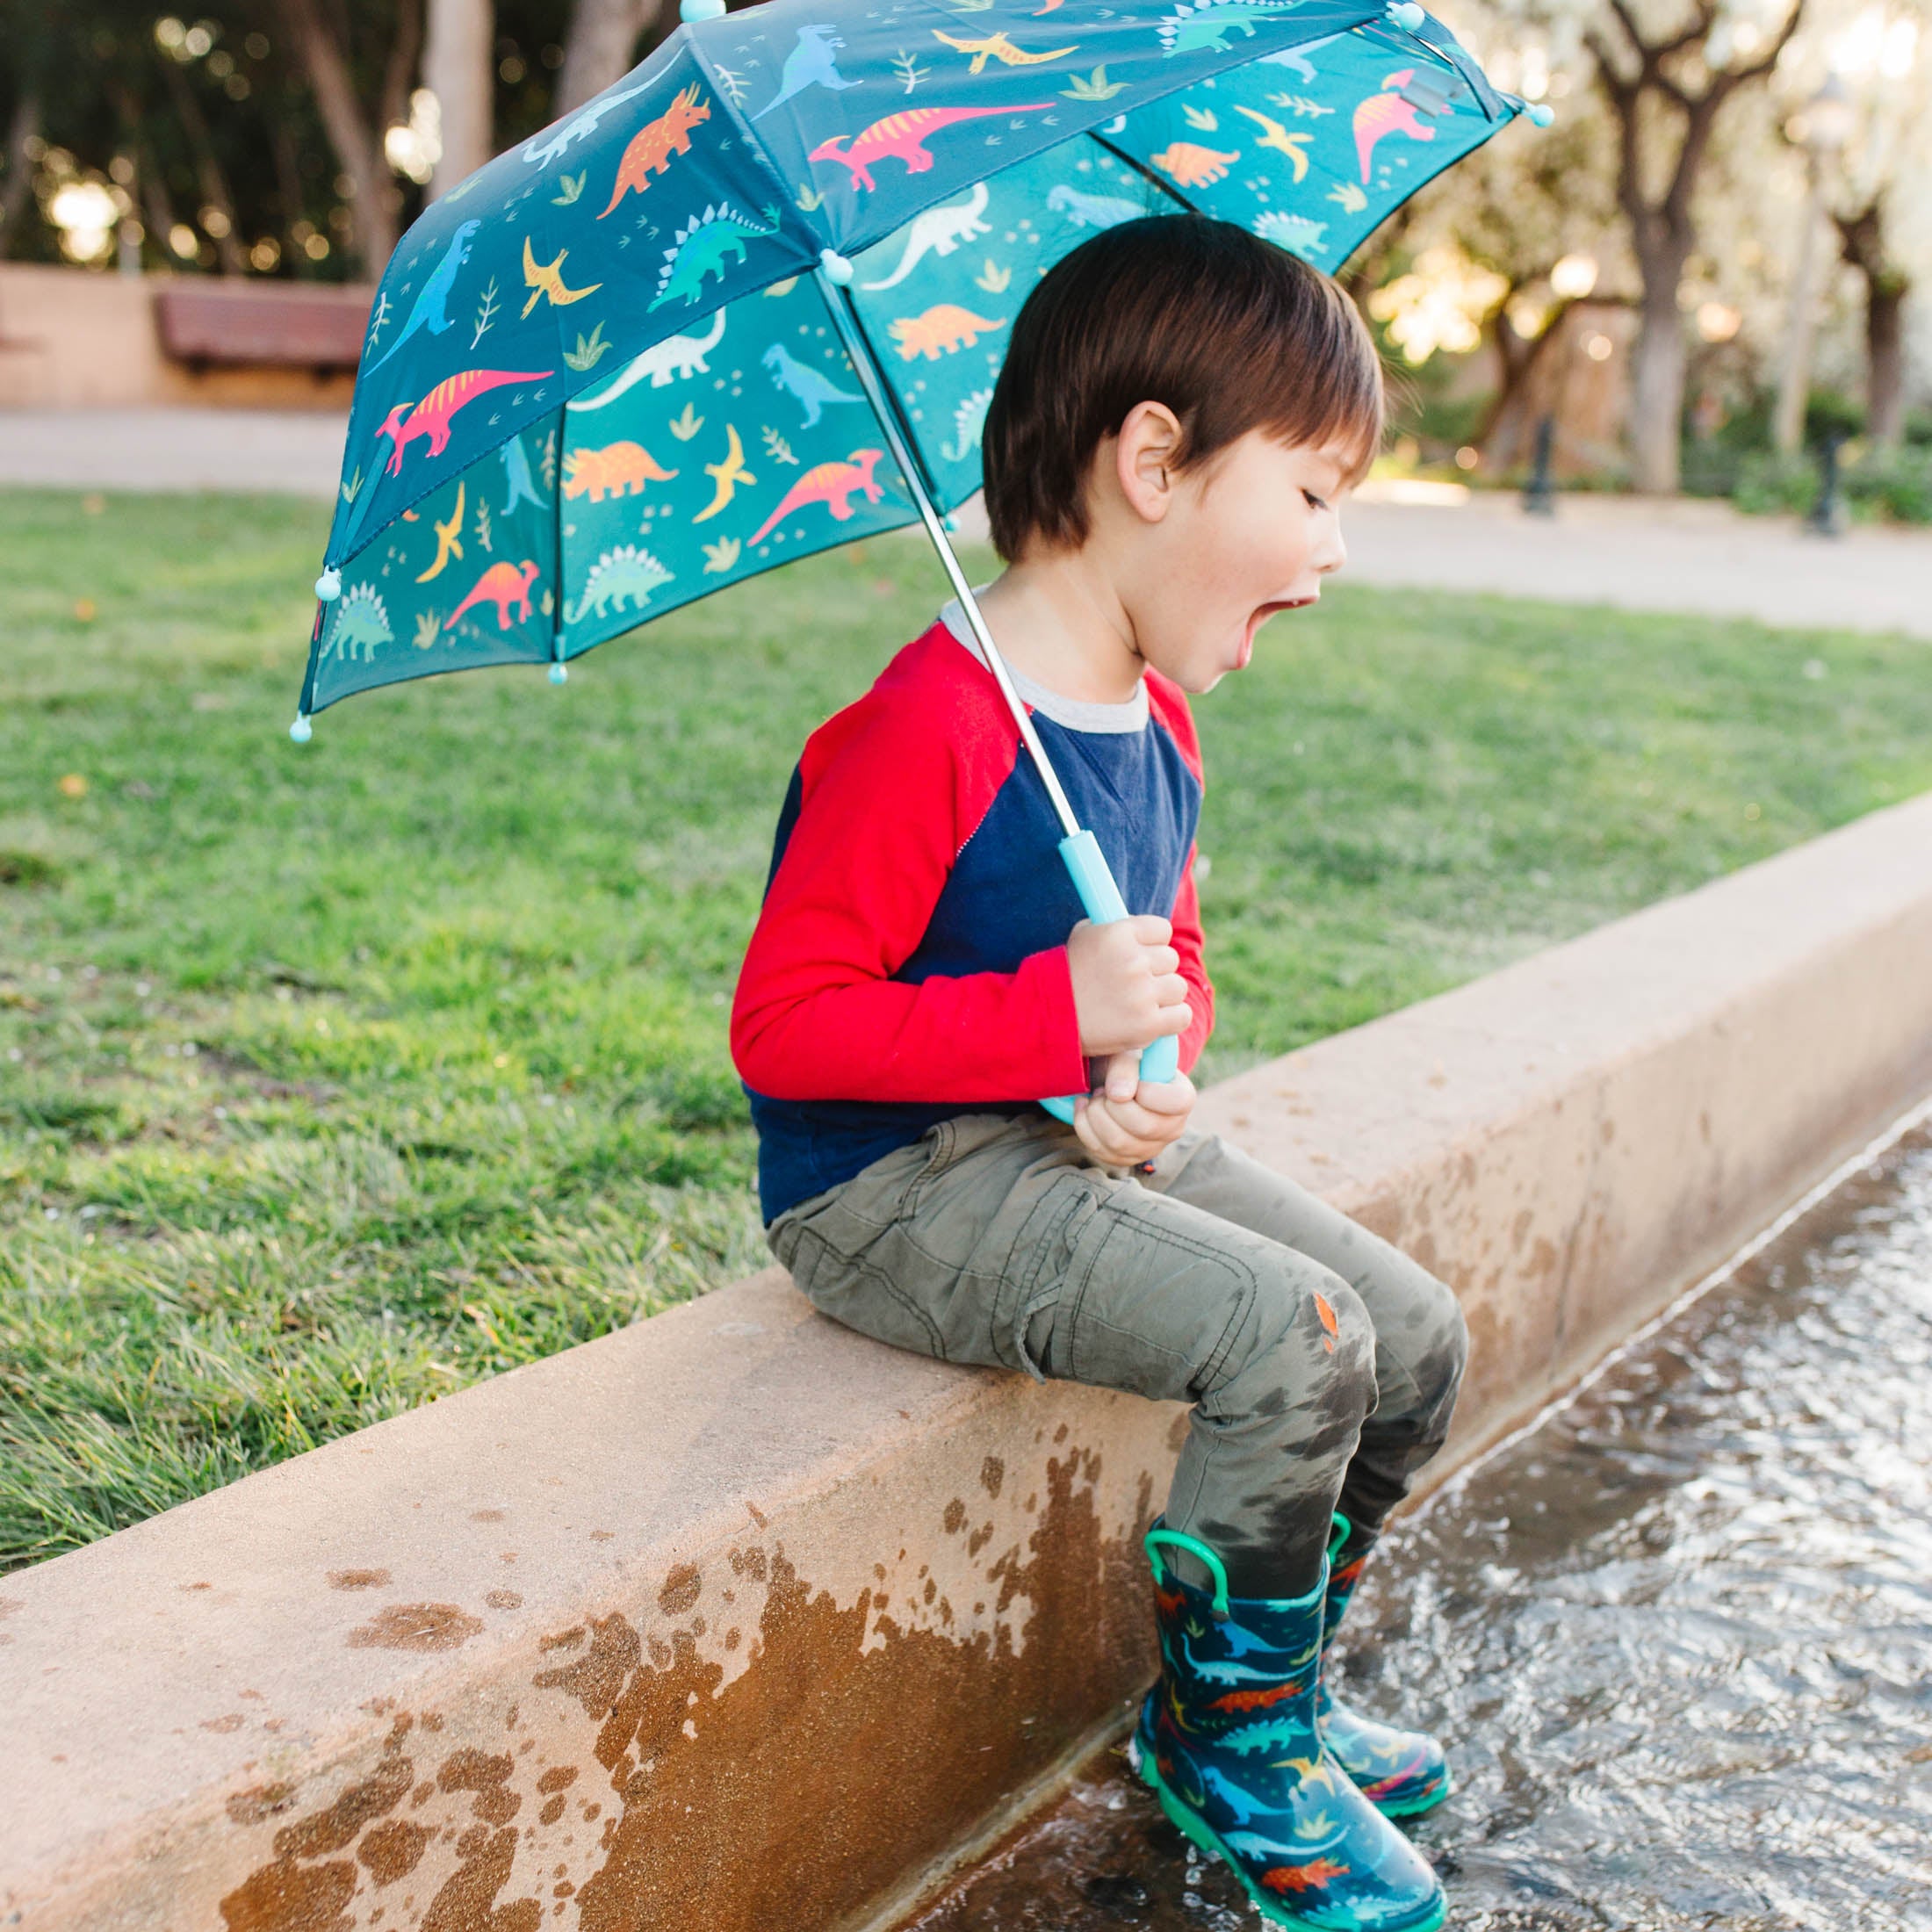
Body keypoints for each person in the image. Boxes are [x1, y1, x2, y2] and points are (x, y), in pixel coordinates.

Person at [730, 213, 1467, 1932]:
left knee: (1415, 1339)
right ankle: (1227, 1744)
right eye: (1312, 492)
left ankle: (1272, 1676)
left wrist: (1147, 1065)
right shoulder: (926, 726)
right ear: (1153, 462)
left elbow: (1171, 962)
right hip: (894, 1186)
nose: (1335, 548)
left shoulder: (1158, 722)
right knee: (1299, 1337)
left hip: (1064, 1140)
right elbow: (785, 1026)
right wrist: (1045, 1013)